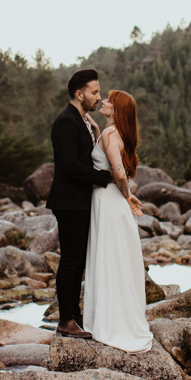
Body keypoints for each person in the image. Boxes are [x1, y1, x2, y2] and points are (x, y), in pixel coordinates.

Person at [83, 89, 154, 353]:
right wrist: (91, 123)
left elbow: (119, 172)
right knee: (116, 259)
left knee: (108, 258)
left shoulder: (111, 134)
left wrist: (128, 196)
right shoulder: (117, 133)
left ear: (117, 109)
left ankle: (109, 322)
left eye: (109, 100)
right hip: (112, 203)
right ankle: (112, 316)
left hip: (111, 202)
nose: (103, 101)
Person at [46, 68, 111, 339]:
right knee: (71, 261)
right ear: (79, 93)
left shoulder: (83, 120)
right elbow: (70, 166)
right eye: (94, 92)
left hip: (80, 201)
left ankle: (75, 315)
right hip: (69, 201)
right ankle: (66, 320)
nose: (98, 96)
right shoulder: (65, 122)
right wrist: (104, 177)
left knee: (78, 261)